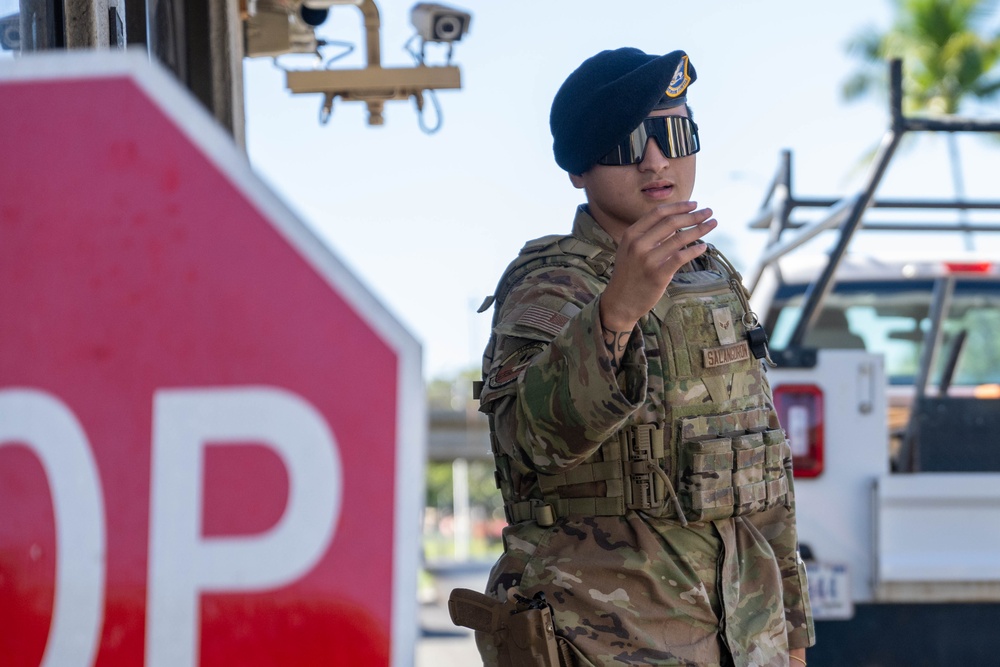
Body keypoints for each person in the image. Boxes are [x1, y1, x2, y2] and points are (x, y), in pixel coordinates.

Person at [460, 47, 815, 666]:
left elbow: (763, 473)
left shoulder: (713, 277)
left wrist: (792, 637)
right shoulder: (552, 282)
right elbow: (531, 440)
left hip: (744, 635)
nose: (656, 159)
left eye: (672, 133)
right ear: (579, 170)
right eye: (626, 144)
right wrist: (615, 313)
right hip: (604, 636)